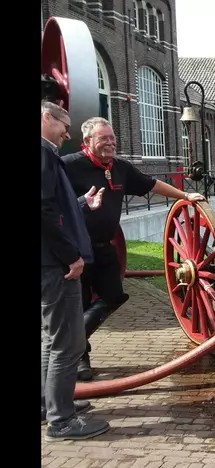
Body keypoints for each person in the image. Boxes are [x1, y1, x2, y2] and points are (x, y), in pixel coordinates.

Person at [62, 117, 205, 380]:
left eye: (112, 138)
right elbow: (54, 204)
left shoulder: (120, 168)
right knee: (79, 305)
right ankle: (80, 358)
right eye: (103, 138)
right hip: (76, 250)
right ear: (87, 142)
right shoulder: (69, 165)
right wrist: (82, 202)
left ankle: (74, 341)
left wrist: (185, 196)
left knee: (115, 295)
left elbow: (151, 185)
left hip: (105, 248)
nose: (110, 143)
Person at [41, 101, 111, 441]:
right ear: (46, 117)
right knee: (68, 344)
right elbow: (43, 212)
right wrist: (71, 257)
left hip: (50, 263)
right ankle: (62, 420)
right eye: (63, 125)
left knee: (51, 340)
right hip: (56, 266)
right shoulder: (43, 155)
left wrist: (83, 203)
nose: (68, 133)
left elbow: (56, 208)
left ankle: (48, 404)